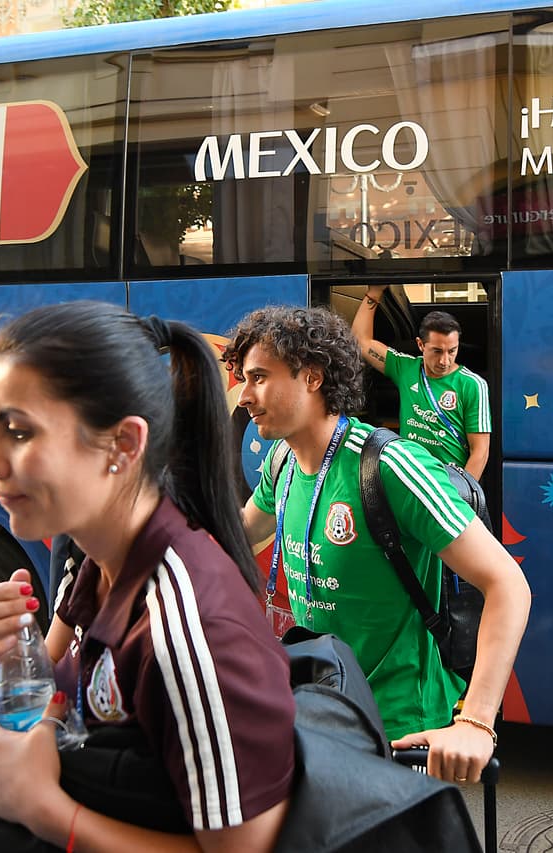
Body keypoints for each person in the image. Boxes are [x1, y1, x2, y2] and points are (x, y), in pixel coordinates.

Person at [0, 301, 295, 851]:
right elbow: (92, 693)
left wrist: (44, 809)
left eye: (17, 431)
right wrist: (18, 656)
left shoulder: (189, 627)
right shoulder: (102, 566)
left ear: (123, 445)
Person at [225, 305, 530, 784]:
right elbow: (242, 536)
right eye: (244, 379)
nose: (244, 396)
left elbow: (508, 584)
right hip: (321, 707)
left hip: (399, 728)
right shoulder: (282, 461)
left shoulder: (389, 466)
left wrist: (476, 721)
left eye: (259, 377)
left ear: (311, 376)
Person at [352, 289, 491, 479]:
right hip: (410, 478)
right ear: (420, 345)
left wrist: (462, 497)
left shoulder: (473, 384)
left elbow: (480, 452)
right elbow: (360, 341)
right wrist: (375, 293)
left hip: (451, 482)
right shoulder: (405, 368)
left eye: (452, 351)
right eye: (437, 351)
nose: (444, 360)